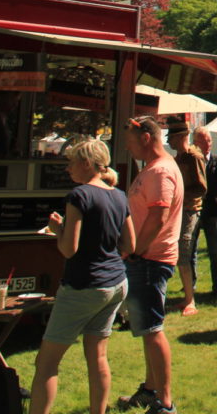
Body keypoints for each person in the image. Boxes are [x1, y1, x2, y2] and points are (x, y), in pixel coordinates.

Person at [30, 139, 134, 414]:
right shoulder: (119, 195)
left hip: (84, 285)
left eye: (71, 162)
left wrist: (56, 229)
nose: (68, 169)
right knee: (98, 356)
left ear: (87, 163)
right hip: (115, 283)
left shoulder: (79, 196)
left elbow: (68, 249)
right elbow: (130, 245)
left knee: (47, 362)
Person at [117, 115, 183, 414]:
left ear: (146, 138)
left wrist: (136, 251)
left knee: (153, 329)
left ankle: (165, 403)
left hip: (150, 259)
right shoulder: (155, 169)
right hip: (147, 258)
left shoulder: (159, 171)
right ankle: (150, 388)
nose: (129, 149)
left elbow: (158, 215)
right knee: (147, 328)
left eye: (131, 143)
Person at [167, 118, 206, 317]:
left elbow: (201, 187)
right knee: (180, 254)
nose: (169, 142)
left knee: (184, 251)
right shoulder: (177, 159)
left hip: (190, 210)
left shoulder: (193, 157)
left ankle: (190, 300)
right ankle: (187, 297)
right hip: (178, 210)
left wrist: (180, 194)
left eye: (172, 138)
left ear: (181, 136)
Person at [192, 126, 217, 299]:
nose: (207, 144)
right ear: (195, 142)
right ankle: (191, 285)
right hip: (195, 210)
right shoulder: (191, 161)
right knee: (191, 250)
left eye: (209, 140)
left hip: (213, 211)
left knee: (214, 250)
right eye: (203, 140)